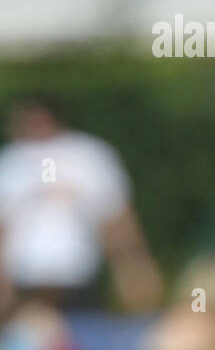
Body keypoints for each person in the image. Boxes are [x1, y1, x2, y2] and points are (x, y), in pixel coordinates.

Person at [0, 97, 162, 316]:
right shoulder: (11, 160)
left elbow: (115, 216)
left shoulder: (89, 154)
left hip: (79, 273)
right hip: (28, 275)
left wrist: (132, 267)